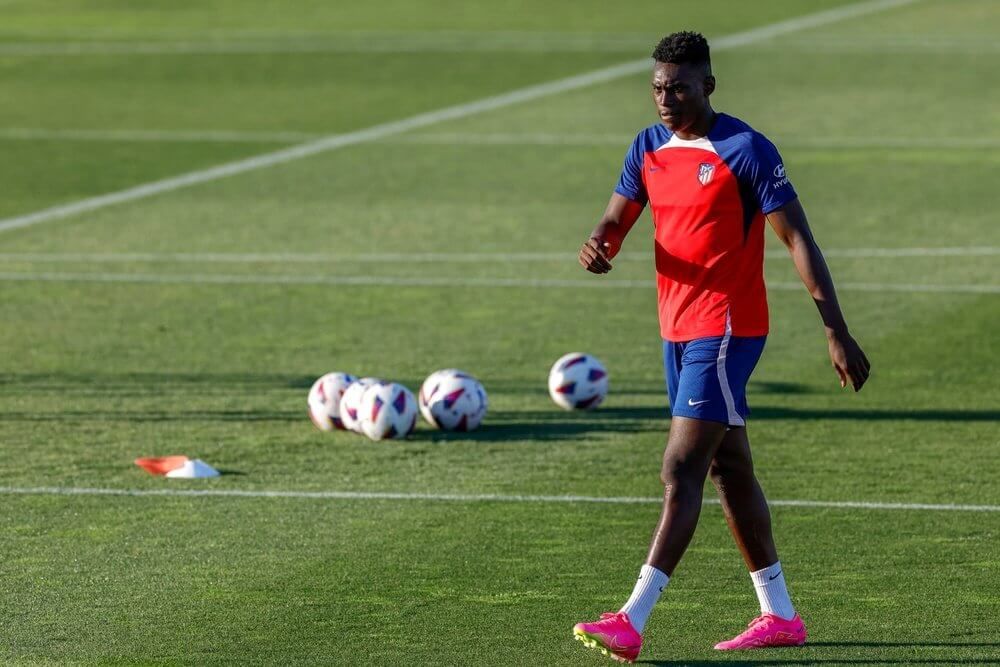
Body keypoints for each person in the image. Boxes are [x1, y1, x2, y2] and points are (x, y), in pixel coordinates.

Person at [571, 31, 871, 663]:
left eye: (678, 87)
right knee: (728, 469)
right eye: (657, 87)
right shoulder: (648, 147)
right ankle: (780, 616)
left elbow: (797, 239)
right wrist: (601, 243)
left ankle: (632, 618)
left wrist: (835, 329)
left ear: (708, 85)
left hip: (728, 329)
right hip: (676, 331)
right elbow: (617, 217)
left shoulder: (745, 150)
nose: (665, 99)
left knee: (680, 469)